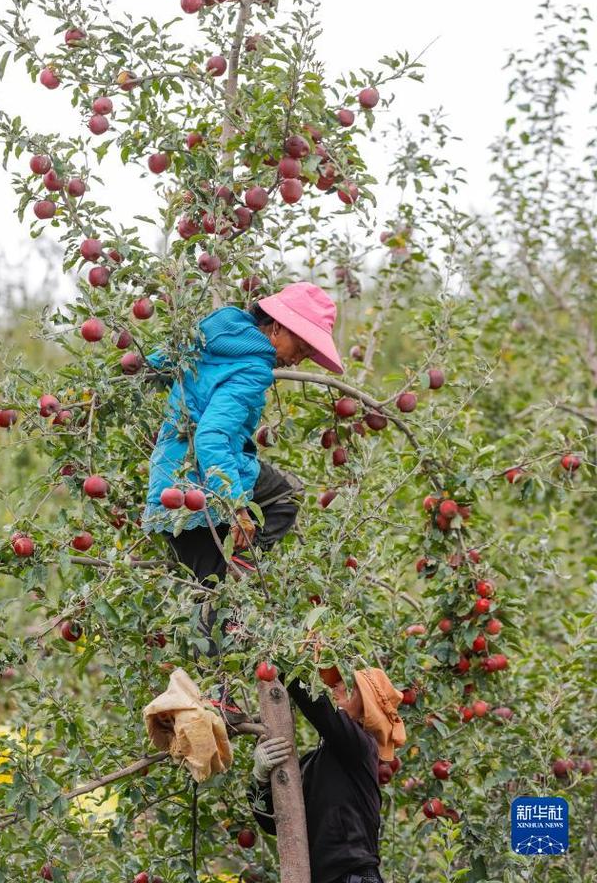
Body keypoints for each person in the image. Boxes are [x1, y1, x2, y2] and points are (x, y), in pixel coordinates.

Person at [141, 282, 344, 706]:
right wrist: (234, 506)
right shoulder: (254, 368)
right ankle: (219, 695)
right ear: (275, 329)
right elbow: (214, 436)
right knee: (281, 504)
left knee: (213, 593)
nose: (298, 358)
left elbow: (158, 362)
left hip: (168, 485)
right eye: (301, 347)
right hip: (203, 495)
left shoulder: (219, 331)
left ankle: (218, 694)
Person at [249, 668, 407, 883]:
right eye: (335, 684)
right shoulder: (308, 764)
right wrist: (259, 779)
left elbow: (320, 708)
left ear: (366, 709)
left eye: (347, 687)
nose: (336, 688)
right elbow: (275, 823)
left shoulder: (362, 747)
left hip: (354, 876)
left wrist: (283, 664)